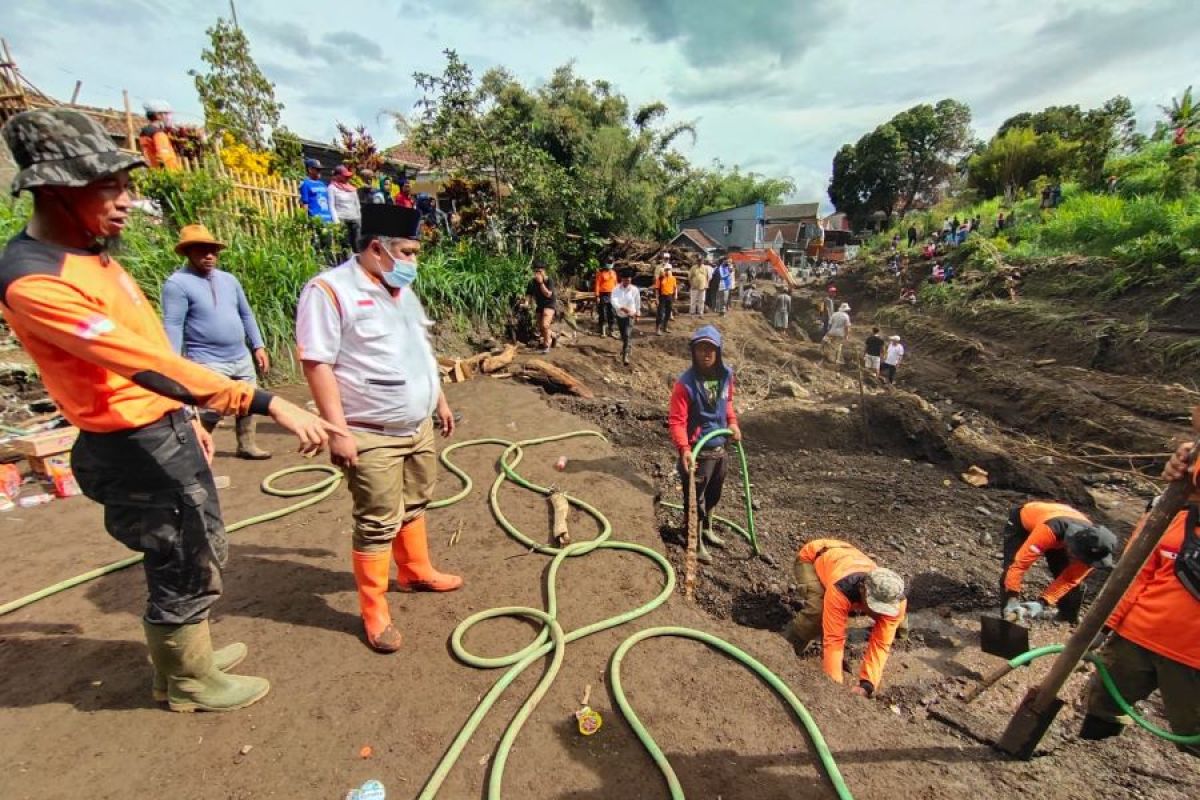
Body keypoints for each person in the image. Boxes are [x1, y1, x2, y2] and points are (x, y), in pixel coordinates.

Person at [0, 108, 334, 711]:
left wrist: (184, 421)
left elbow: (147, 347)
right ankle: (186, 681)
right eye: (112, 186)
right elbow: (142, 361)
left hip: (162, 425)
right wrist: (264, 401)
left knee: (198, 539)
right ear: (56, 189)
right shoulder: (34, 281)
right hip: (130, 443)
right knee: (177, 549)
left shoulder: (91, 252)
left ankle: (192, 652)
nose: (128, 200)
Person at [296, 205, 461, 654]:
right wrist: (337, 430)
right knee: (376, 521)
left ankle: (415, 571)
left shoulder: (401, 291)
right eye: (407, 252)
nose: (413, 262)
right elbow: (317, 362)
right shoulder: (329, 291)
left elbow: (421, 351)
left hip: (417, 423)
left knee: (416, 500)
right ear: (376, 249)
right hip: (370, 430)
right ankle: (374, 610)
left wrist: (440, 399)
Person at [1079, 430, 1200, 754]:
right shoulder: (1171, 516)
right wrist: (1106, 625)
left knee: (1192, 732)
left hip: (1192, 657)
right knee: (1102, 699)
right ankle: (1095, 747)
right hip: (1137, 635)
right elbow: (1135, 574)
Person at [161, 223, 272, 459]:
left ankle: (247, 444)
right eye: (202, 250)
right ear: (188, 252)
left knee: (248, 400)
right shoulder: (177, 284)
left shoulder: (229, 280)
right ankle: (198, 450)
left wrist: (258, 345)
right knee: (210, 409)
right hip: (206, 358)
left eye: (213, 250)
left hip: (240, 355)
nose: (209, 255)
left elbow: (246, 314)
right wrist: (173, 362)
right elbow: (173, 324)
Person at [789, 539, 907, 698]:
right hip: (813, 557)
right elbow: (834, 639)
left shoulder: (897, 600)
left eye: (883, 607)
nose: (879, 613)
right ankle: (788, 649)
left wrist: (867, 684)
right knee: (818, 612)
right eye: (875, 606)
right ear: (863, 590)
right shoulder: (842, 589)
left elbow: (881, 644)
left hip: (844, 556)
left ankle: (901, 631)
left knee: (890, 622)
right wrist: (834, 686)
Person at [668, 326, 741, 564]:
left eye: (711, 348)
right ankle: (694, 540)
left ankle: (707, 528)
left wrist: (732, 423)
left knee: (714, 494)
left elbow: (728, 403)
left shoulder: (726, 375)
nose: (706, 353)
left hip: (720, 447)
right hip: (698, 451)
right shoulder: (685, 384)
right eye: (701, 348)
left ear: (718, 351)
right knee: (695, 499)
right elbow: (677, 421)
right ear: (693, 351)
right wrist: (684, 449)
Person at [999, 501, 1117, 625]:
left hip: (1060, 531)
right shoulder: (1050, 531)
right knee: (1011, 567)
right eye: (1076, 554)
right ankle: (1009, 617)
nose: (1077, 559)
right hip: (1025, 522)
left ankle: (1068, 615)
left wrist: (1042, 602)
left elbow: (1070, 579)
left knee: (1064, 571)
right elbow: (1019, 565)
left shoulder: (1093, 550)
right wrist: (1012, 596)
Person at [328, 165, 362, 254]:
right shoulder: (332, 188)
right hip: (342, 219)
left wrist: (359, 217)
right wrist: (336, 221)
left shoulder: (352, 189)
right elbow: (331, 205)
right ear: (337, 176)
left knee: (357, 244)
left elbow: (357, 204)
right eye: (344, 175)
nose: (347, 177)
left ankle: (357, 264)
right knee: (345, 244)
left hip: (355, 219)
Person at [138, 100, 180, 171]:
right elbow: (164, 157)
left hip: (153, 172)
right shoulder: (158, 134)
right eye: (166, 114)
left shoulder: (144, 132)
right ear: (158, 115)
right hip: (166, 175)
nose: (168, 117)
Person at [610, 269, 640, 365]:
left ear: (631, 280)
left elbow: (637, 302)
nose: (626, 282)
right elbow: (613, 301)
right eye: (625, 280)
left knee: (627, 334)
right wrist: (622, 308)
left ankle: (625, 355)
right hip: (620, 315)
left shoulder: (634, 290)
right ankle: (628, 346)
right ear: (621, 279)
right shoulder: (616, 289)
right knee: (623, 335)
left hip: (630, 316)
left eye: (628, 280)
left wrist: (638, 313)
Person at [526, 264, 556, 353]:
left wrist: (541, 283)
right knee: (540, 327)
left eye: (540, 271)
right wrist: (526, 303)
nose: (538, 273)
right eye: (536, 271)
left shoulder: (549, 280)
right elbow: (528, 294)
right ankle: (553, 336)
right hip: (540, 305)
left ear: (544, 271)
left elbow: (548, 294)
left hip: (550, 304)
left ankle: (546, 345)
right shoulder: (532, 282)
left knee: (545, 325)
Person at [300, 158, 333, 223]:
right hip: (316, 221)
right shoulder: (306, 184)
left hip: (328, 220)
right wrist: (305, 222)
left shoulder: (322, 184)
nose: (320, 172)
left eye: (320, 170)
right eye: (318, 170)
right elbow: (305, 205)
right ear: (310, 170)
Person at [593, 262, 618, 337]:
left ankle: (611, 329)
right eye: (608, 263)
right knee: (603, 312)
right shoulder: (600, 273)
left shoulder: (613, 272)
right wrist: (597, 296)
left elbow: (616, 283)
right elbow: (597, 284)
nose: (610, 264)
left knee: (612, 312)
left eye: (611, 263)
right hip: (603, 294)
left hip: (612, 294)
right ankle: (602, 330)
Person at [654, 261, 678, 335]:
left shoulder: (673, 278)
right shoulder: (660, 279)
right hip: (662, 297)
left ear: (671, 270)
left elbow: (675, 287)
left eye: (669, 269)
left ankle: (665, 327)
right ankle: (657, 329)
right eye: (666, 269)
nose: (667, 271)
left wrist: (676, 295)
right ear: (664, 270)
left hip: (669, 297)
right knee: (660, 313)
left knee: (668, 313)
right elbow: (657, 289)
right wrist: (657, 298)